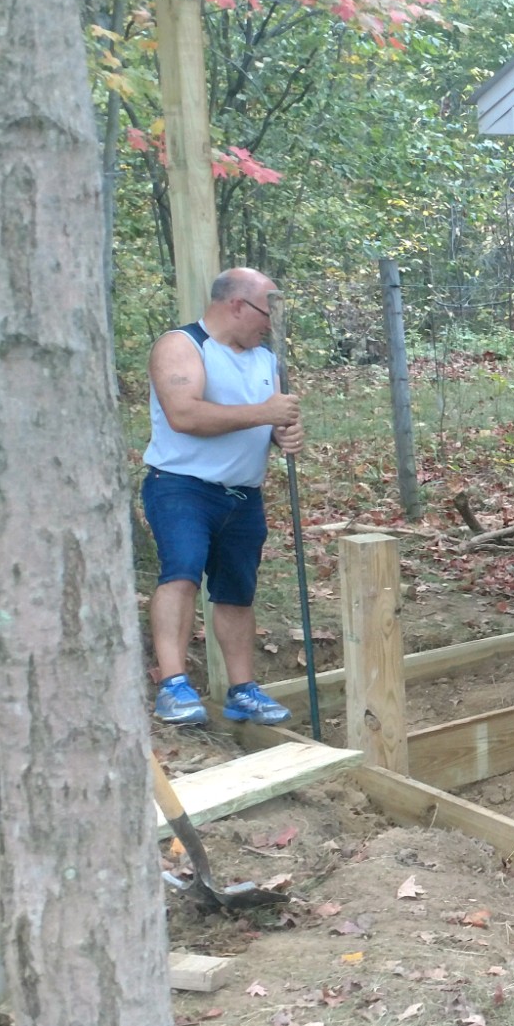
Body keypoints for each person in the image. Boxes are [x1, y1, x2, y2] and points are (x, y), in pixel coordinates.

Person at [142, 267, 302, 726]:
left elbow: (271, 420)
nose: (269, 323)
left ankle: (243, 690)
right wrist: (263, 414)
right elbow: (185, 414)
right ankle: (173, 686)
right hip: (181, 487)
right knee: (182, 574)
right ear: (237, 305)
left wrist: (284, 433)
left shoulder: (264, 359)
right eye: (265, 312)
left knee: (237, 593)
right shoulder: (182, 346)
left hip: (242, 494)